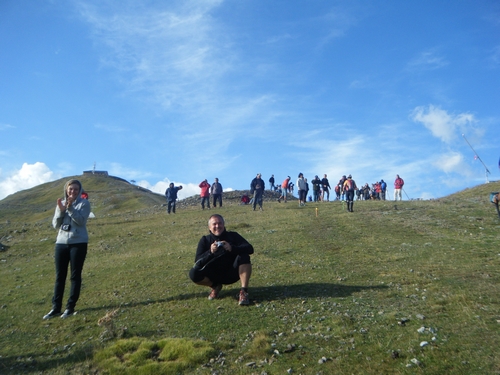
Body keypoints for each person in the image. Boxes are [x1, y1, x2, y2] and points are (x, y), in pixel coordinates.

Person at [43, 179, 91, 319]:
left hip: (78, 243)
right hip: (61, 243)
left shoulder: (84, 203)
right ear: (66, 190)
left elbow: (81, 221)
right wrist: (61, 211)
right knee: (60, 276)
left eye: (76, 189)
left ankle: (70, 308)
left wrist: (70, 208)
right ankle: (55, 308)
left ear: (80, 190)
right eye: (70, 189)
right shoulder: (61, 203)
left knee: (75, 276)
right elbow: (56, 224)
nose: (73, 192)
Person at [189, 214, 254, 305]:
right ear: (209, 227)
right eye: (214, 224)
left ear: (223, 225)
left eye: (220, 223)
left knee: (244, 256)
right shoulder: (205, 240)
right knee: (193, 272)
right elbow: (197, 262)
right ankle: (215, 286)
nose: (217, 226)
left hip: (232, 273)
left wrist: (232, 248)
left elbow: (250, 249)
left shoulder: (233, 236)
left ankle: (243, 292)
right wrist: (210, 252)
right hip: (214, 275)